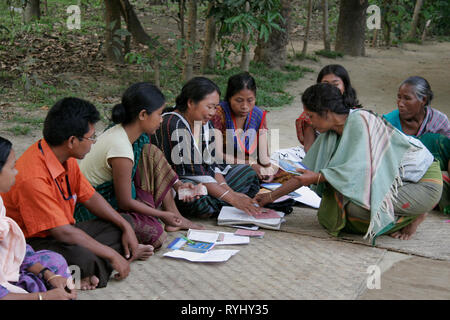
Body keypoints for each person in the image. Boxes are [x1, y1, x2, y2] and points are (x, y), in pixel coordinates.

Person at [256, 83, 443, 242]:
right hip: (394, 182)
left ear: (326, 113)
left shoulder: (361, 121)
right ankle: (401, 213)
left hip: (422, 182)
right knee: (337, 212)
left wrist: (319, 177)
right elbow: (305, 174)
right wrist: (269, 197)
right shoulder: (332, 133)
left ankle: (414, 215)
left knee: (356, 213)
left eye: (311, 116)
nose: (310, 122)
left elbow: (360, 172)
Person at [1, 97, 153, 291]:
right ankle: (110, 261)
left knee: (124, 223)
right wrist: (111, 254)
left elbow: (90, 196)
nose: (93, 143)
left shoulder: (65, 156)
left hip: (63, 230)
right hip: (33, 242)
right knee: (85, 259)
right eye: (91, 138)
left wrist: (125, 226)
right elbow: (62, 233)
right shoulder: (32, 178)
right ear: (72, 141)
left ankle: (105, 264)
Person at [76, 82, 203, 249]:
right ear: (143, 115)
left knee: (151, 152)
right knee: (156, 236)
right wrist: (161, 214)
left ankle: (174, 217)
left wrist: (178, 185)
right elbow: (125, 202)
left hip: (114, 199)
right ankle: (168, 217)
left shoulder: (131, 134)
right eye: (159, 114)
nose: (161, 119)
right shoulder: (121, 147)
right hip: (91, 210)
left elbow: (151, 158)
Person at [151, 77, 261, 218]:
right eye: (209, 107)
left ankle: (220, 204)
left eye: (215, 107)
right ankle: (222, 205)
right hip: (180, 182)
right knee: (196, 195)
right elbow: (195, 173)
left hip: (206, 181)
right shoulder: (173, 124)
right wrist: (232, 199)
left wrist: (229, 192)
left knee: (248, 174)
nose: (213, 112)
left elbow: (212, 165)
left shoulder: (204, 123)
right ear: (190, 102)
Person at [0, 136, 76, 300]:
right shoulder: (32, 179)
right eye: (12, 167)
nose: (16, 172)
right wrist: (44, 297)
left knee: (54, 261)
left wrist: (48, 275)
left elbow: (16, 248)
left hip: (7, 268)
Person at [383, 76, 450, 213]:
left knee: (433, 140)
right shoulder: (388, 124)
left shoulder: (439, 121)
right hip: (404, 176)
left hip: (435, 169)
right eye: (399, 97)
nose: (400, 103)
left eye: (407, 98)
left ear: (423, 100)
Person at [210, 72, 275, 182]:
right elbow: (217, 154)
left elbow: (263, 155)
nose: (245, 106)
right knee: (244, 175)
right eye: (239, 100)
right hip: (224, 166)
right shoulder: (218, 114)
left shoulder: (258, 115)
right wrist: (249, 164)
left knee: (288, 176)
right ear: (230, 98)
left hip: (251, 164)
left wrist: (268, 169)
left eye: (250, 100)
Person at [296, 64, 361, 152]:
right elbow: (310, 151)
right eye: (325, 84)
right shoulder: (311, 115)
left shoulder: (357, 118)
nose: (330, 89)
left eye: (335, 84)